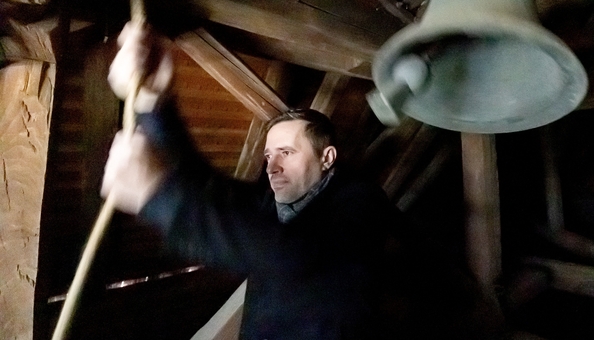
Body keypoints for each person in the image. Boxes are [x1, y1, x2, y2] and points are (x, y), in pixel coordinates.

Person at [101, 23, 505, 340]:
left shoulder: (360, 203)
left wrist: (163, 197)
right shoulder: (276, 206)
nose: (272, 166)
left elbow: (296, 256)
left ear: (327, 158)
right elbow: (212, 190)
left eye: (287, 153)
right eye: (268, 155)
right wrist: (157, 107)